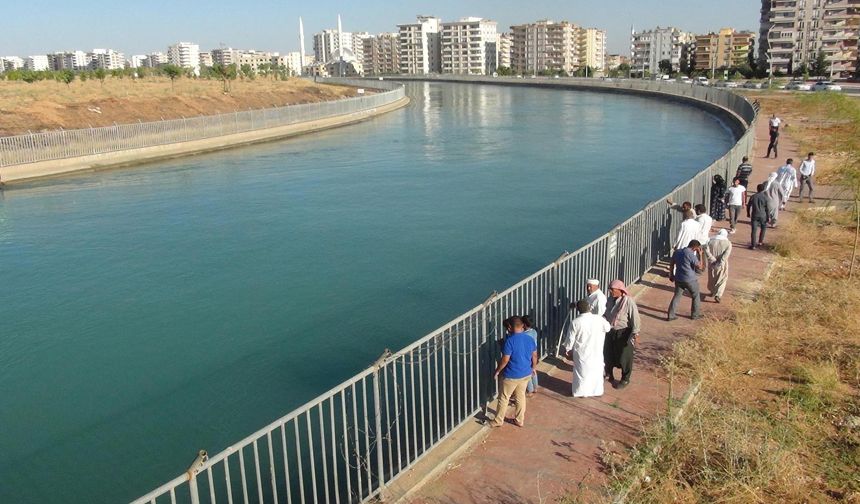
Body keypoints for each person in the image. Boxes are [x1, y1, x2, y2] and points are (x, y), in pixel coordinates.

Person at [490, 316, 538, 428]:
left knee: (504, 397)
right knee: (520, 396)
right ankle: (519, 420)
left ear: (510, 327)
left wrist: (497, 371)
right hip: (526, 373)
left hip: (512, 375)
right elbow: (534, 355)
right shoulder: (529, 339)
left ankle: (498, 421)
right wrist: (533, 368)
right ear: (522, 326)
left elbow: (505, 360)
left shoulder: (509, 342)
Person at [564, 299, 611, 398]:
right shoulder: (599, 319)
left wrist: (567, 349)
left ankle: (580, 392)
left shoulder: (575, 322)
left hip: (582, 352)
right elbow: (608, 328)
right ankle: (596, 391)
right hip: (596, 350)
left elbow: (570, 339)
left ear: (578, 310)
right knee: (596, 371)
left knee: (581, 373)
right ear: (589, 308)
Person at [603, 280, 641, 389]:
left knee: (624, 355)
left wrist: (635, 333)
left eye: (612, 290)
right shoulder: (610, 300)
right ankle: (609, 373)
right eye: (610, 289)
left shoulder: (628, 302)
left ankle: (625, 378)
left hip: (623, 332)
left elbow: (635, 318)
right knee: (608, 353)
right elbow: (606, 313)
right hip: (610, 331)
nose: (610, 292)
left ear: (620, 290)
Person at [668, 239, 704, 321]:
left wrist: (671, 274)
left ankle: (671, 315)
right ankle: (695, 315)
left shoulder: (677, 252)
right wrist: (700, 255)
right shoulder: (691, 254)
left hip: (678, 278)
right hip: (690, 279)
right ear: (695, 248)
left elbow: (672, 263)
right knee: (695, 295)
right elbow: (700, 267)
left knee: (676, 296)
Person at [704, 229, 732, 303]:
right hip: (721, 264)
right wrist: (720, 262)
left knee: (712, 277)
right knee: (722, 279)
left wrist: (712, 259)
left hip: (711, 263)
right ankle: (718, 295)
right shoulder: (728, 243)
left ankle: (712, 291)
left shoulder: (710, 241)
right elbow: (726, 255)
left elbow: (706, 250)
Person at [747, 183, 772, 250]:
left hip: (755, 215)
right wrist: (768, 216)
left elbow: (749, 206)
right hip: (763, 215)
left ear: (757, 189)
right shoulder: (765, 197)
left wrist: (748, 213)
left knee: (754, 230)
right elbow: (767, 208)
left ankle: (753, 245)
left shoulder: (753, 196)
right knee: (763, 228)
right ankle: (760, 242)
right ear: (763, 189)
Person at [521, 315, 539, 397]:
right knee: (533, 370)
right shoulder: (534, 332)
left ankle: (530, 390)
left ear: (524, 324)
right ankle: (535, 387)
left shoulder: (524, 335)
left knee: (527, 373)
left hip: (527, 356)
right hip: (534, 354)